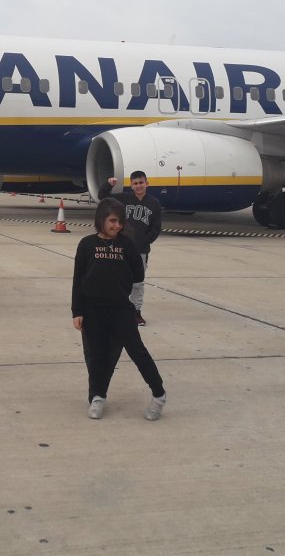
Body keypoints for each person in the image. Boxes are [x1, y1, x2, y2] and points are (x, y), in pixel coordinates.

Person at [72, 197, 166, 421]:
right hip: (93, 310)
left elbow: (138, 274)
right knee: (97, 355)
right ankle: (98, 397)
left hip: (121, 309)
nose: (117, 226)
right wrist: (77, 311)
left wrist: (118, 281)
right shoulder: (86, 244)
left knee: (138, 352)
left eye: (120, 222)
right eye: (112, 221)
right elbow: (78, 280)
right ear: (101, 219)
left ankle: (159, 394)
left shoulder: (127, 245)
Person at [98, 171, 162, 326]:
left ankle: (136, 312)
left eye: (141, 183)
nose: (138, 186)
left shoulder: (154, 203)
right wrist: (108, 184)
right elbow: (103, 198)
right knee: (117, 280)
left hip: (141, 250)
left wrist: (145, 241)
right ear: (131, 185)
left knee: (137, 282)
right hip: (121, 248)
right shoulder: (124, 199)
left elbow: (156, 227)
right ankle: (116, 310)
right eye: (135, 183)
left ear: (147, 183)